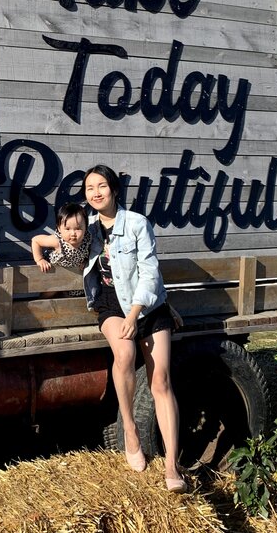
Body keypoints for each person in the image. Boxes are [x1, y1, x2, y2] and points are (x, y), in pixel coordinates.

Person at [82, 164, 186, 492]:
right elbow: (63, 248)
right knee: (125, 353)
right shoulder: (88, 229)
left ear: (114, 189)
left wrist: (137, 314)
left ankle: (172, 464)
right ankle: (129, 429)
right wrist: (44, 252)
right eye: (89, 188)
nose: (96, 192)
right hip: (111, 303)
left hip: (147, 304)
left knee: (161, 380)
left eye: (101, 186)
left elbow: (151, 272)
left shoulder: (138, 223)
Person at [31, 202, 91, 274]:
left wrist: (85, 261)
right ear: (59, 228)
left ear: (85, 227)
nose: (73, 233)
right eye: (67, 229)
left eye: (78, 229)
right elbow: (35, 240)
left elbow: (89, 252)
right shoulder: (57, 241)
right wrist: (40, 260)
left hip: (72, 274)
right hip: (51, 271)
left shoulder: (87, 239)